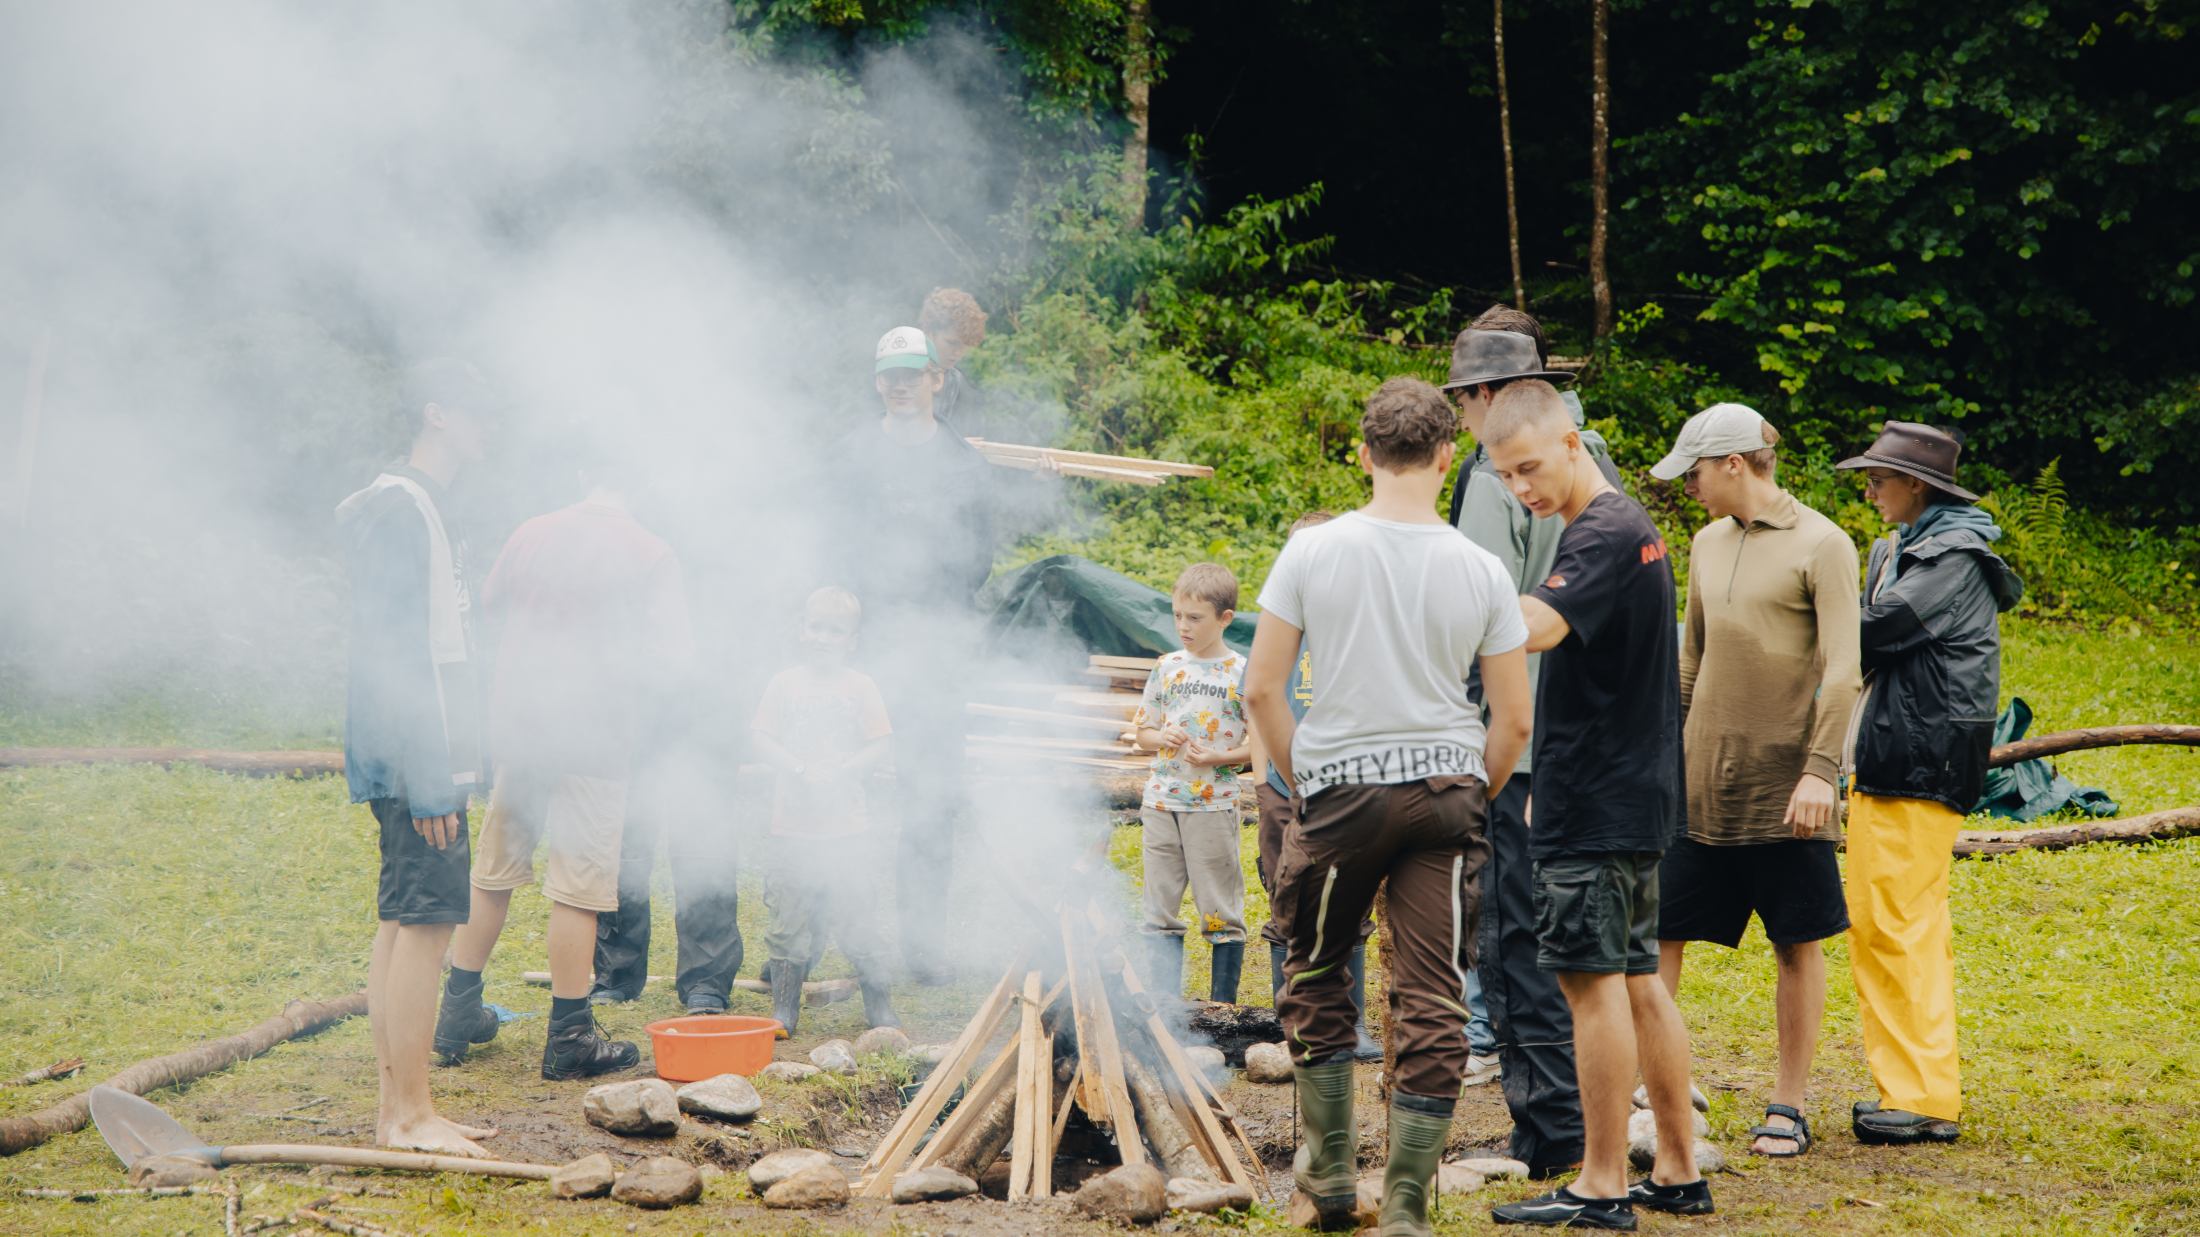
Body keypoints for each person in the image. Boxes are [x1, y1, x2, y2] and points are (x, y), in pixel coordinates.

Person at [1247, 377, 1533, 1237]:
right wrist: (1466, 790)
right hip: (1447, 795)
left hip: (1340, 792)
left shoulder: (1312, 552)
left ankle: (1331, 1181)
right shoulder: (1484, 568)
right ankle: (1407, 1207)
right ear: (1451, 457)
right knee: (1436, 992)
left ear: (1364, 455)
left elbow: (1262, 687)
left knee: (1317, 964)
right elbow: (1514, 716)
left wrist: (1306, 783)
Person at [1481, 380, 1709, 1227]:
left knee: (1591, 985)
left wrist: (1435, 598)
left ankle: (1603, 1181)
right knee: (1641, 979)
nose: (1522, 489)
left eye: (1530, 467)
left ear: (1574, 442)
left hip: (1598, 798)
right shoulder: (1628, 530)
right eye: (1506, 477)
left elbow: (1534, 627)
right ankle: (1678, 1167)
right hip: (1635, 793)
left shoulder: (1605, 531)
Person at [436, 453, 695, 1079]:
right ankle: (570, 1039)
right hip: (595, 738)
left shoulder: (531, 531)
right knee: (579, 889)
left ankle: (453, 1018)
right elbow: (675, 658)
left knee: (494, 872)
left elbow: (490, 608)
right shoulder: (652, 550)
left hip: (521, 726)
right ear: (648, 479)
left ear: (585, 474)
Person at [1646, 403, 1861, 1157]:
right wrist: (1663, 759)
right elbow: (1690, 660)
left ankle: (1789, 1103)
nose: (1690, 487)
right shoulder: (1705, 542)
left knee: (1796, 941)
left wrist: (1820, 771)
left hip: (1787, 789)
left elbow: (1843, 671)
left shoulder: (1824, 544)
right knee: (1661, 931)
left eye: (1696, 472)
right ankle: (1656, 1088)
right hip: (1701, 781)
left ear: (1734, 464)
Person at [1442, 308, 1623, 1167]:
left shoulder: (1491, 474)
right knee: (1586, 948)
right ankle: (1585, 1127)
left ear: (1488, 394)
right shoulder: (1596, 465)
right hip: (1592, 737)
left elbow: (1475, 621)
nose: (1463, 421)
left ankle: (1552, 1135)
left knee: (1522, 940)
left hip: (1521, 743)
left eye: (1463, 401)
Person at [1835, 422, 2021, 1146]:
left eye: (1880, 478)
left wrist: (1794, 606)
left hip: (1918, 763)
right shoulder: (1907, 544)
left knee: (1896, 928)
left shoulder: (1950, 555)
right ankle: (1908, 1086)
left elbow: (1876, 629)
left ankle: (1922, 1096)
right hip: (1897, 758)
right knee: (1890, 925)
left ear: (1918, 486)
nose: (1871, 488)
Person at [335, 358, 498, 1155]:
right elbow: (398, 652)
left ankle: (397, 1106)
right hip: (418, 758)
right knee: (425, 926)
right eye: (479, 408)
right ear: (437, 413)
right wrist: (434, 778)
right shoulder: (403, 509)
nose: (491, 422)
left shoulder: (421, 503)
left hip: (420, 752)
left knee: (404, 921)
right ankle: (409, 1115)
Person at [830, 326, 996, 986]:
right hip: (859, 650)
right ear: (878, 382)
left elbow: (979, 559)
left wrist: (931, 611)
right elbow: (827, 544)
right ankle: (835, 938)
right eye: (887, 373)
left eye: (911, 371)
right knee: (841, 791)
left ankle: (923, 946)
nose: (899, 383)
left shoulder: (963, 463)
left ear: (935, 378)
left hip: (935, 652)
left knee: (931, 796)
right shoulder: (848, 456)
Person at [1246, 511, 1382, 1061]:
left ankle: (1353, 1025)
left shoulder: (1360, 625)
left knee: (1351, 906)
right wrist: (1263, 788)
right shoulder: (1280, 625)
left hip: (1347, 790)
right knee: (1287, 902)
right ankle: (1294, 1022)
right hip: (1284, 790)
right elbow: (1257, 703)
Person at [750, 587, 900, 1035]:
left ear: (851, 640)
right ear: (802, 630)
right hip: (792, 829)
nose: (823, 637)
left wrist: (843, 772)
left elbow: (881, 743)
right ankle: (784, 1011)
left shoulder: (861, 686)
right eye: (816, 626)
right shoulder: (783, 683)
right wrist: (798, 768)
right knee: (787, 921)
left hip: (847, 830)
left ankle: (880, 1009)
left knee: (858, 917)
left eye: (835, 630)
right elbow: (760, 737)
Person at [1131, 563, 1253, 1004]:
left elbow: (1262, 745)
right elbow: (1143, 732)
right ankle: (1164, 1009)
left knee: (1219, 908)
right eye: (1178, 615)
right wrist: (1160, 736)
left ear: (1225, 618)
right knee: (1158, 907)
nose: (1183, 626)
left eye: (1195, 618)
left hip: (1213, 806)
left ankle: (1223, 1011)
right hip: (1161, 802)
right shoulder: (1167, 667)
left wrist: (1220, 758)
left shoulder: (1243, 672)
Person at [919, 287, 987, 427]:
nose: (958, 352)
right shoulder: (894, 375)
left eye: (965, 345)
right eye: (952, 342)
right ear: (927, 330)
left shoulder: (960, 383)